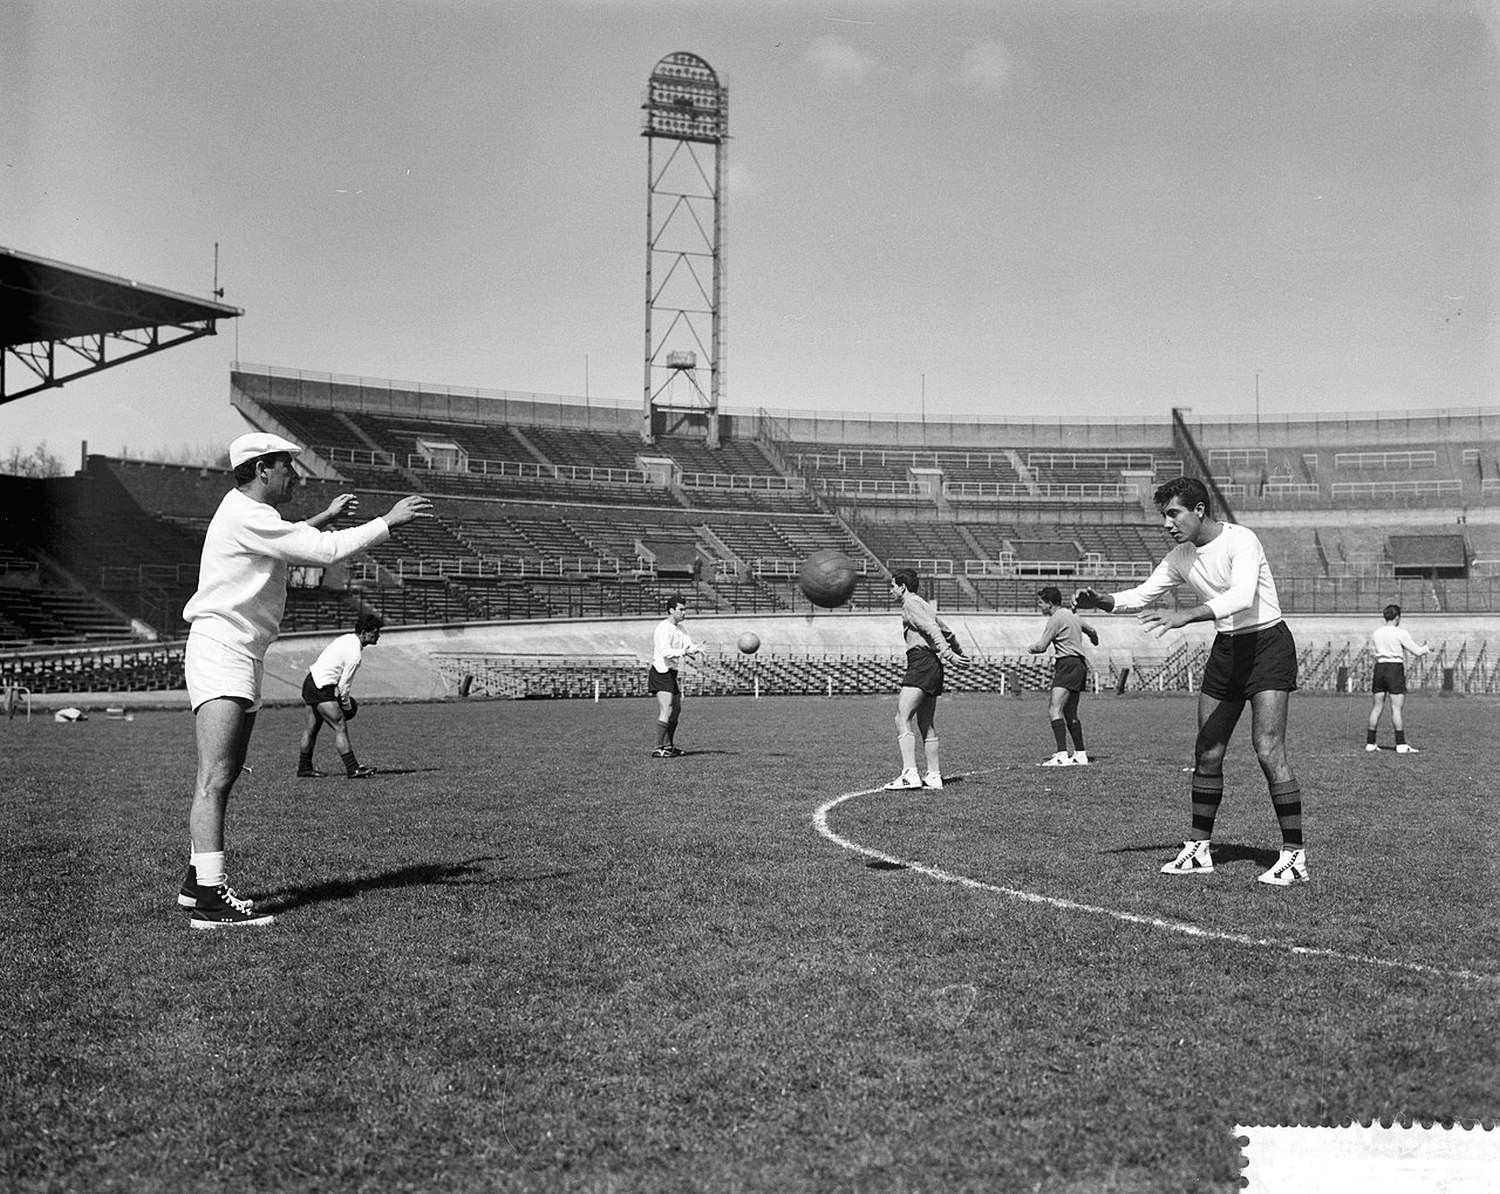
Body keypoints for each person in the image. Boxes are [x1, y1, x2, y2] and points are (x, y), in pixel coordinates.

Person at [178, 432, 432, 929]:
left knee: (223, 775)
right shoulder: (245, 513)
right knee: (215, 776)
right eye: (287, 468)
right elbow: (323, 553)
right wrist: (387, 521)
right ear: (261, 469)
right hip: (221, 651)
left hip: (239, 651)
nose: (295, 476)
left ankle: (196, 883)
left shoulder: (249, 515)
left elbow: (283, 541)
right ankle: (210, 898)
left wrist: (322, 520)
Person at [1073, 476, 1308, 886]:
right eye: (1164, 515)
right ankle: (1199, 849)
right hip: (1228, 649)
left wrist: (1186, 615)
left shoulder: (1242, 541)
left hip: (1267, 644)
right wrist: (1104, 601)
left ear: (1199, 510)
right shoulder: (1181, 555)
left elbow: (1242, 596)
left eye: (1173, 513)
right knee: (1208, 750)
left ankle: (1293, 855)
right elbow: (1142, 595)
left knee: (1268, 748)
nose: (1167, 523)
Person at [883, 568, 964, 791]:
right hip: (933, 665)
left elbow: (930, 628)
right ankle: (934, 775)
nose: (891, 590)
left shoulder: (910, 604)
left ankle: (910, 774)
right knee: (926, 723)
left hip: (921, 662)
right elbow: (947, 631)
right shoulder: (925, 604)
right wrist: (958, 652)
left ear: (903, 587)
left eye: (893, 586)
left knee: (901, 718)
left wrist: (949, 654)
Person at [298, 612, 385, 778]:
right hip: (322, 686)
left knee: (311, 729)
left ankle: (304, 768)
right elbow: (344, 685)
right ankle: (353, 769)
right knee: (340, 725)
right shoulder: (355, 655)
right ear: (364, 632)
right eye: (375, 631)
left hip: (310, 681)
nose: (378, 635)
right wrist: (346, 705)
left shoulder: (346, 638)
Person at [1028, 585, 1099, 766]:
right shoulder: (1072, 615)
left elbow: (1042, 646)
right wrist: (1094, 640)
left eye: (1041, 603)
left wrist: (1030, 648)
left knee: (1054, 709)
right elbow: (1092, 631)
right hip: (1080, 664)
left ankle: (1061, 755)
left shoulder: (1055, 619)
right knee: (1070, 712)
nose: (1040, 606)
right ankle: (1080, 754)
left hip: (1067, 664)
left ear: (1050, 603)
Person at [1366, 603, 1430, 754]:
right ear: (1397, 617)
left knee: (1377, 707)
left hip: (1379, 668)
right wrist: (1426, 648)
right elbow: (1417, 651)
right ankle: (1401, 744)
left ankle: (1370, 743)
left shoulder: (1376, 633)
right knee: (1396, 708)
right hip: (1394, 669)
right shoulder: (1401, 633)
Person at [648, 595, 704, 757]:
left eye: (685, 609)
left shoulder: (680, 629)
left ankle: (669, 746)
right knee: (667, 708)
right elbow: (665, 651)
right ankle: (659, 748)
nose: (684, 612)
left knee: (676, 710)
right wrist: (684, 652)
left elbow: (688, 645)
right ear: (671, 610)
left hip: (671, 672)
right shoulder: (663, 628)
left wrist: (697, 648)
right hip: (660, 671)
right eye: (681, 609)